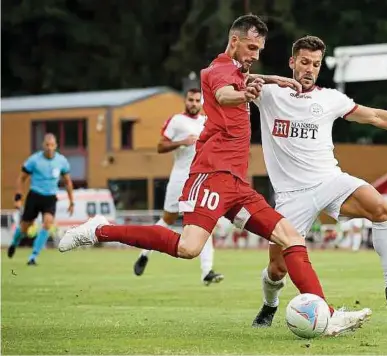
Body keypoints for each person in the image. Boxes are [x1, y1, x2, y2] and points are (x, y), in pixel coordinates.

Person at [58, 15, 369, 336]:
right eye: (250, 47)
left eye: (259, 49)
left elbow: (241, 77)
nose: (254, 55)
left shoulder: (236, 70)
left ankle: (329, 316)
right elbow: (223, 94)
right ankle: (99, 231)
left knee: (291, 238)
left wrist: (271, 79)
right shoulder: (219, 71)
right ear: (234, 41)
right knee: (188, 248)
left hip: (236, 183)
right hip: (211, 174)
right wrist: (245, 94)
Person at [249, 35, 387, 327]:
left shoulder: (331, 99)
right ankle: (269, 304)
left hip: (329, 180)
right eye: (304, 62)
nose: (310, 69)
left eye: (315, 64)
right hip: (290, 196)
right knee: (276, 269)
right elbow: (223, 75)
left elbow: (374, 116)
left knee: (381, 209)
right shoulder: (270, 93)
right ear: (292, 63)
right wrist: (268, 78)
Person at [132, 88, 224, 285]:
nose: (193, 103)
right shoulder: (176, 121)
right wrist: (183, 141)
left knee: (206, 222)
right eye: (190, 100)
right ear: (185, 101)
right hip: (179, 179)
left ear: (201, 102)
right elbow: (160, 146)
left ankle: (207, 270)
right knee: (167, 219)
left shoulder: (206, 121)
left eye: (197, 100)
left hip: (200, 180)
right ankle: (144, 253)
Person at [8, 133, 74, 265]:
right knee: (25, 228)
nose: (49, 148)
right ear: (43, 145)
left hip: (50, 198)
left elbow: (67, 182)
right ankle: (14, 243)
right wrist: (18, 198)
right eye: (47, 145)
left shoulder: (61, 161)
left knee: (47, 223)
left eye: (52, 145)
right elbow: (21, 178)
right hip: (35, 196)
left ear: (56, 146)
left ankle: (33, 256)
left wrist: (71, 201)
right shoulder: (34, 160)